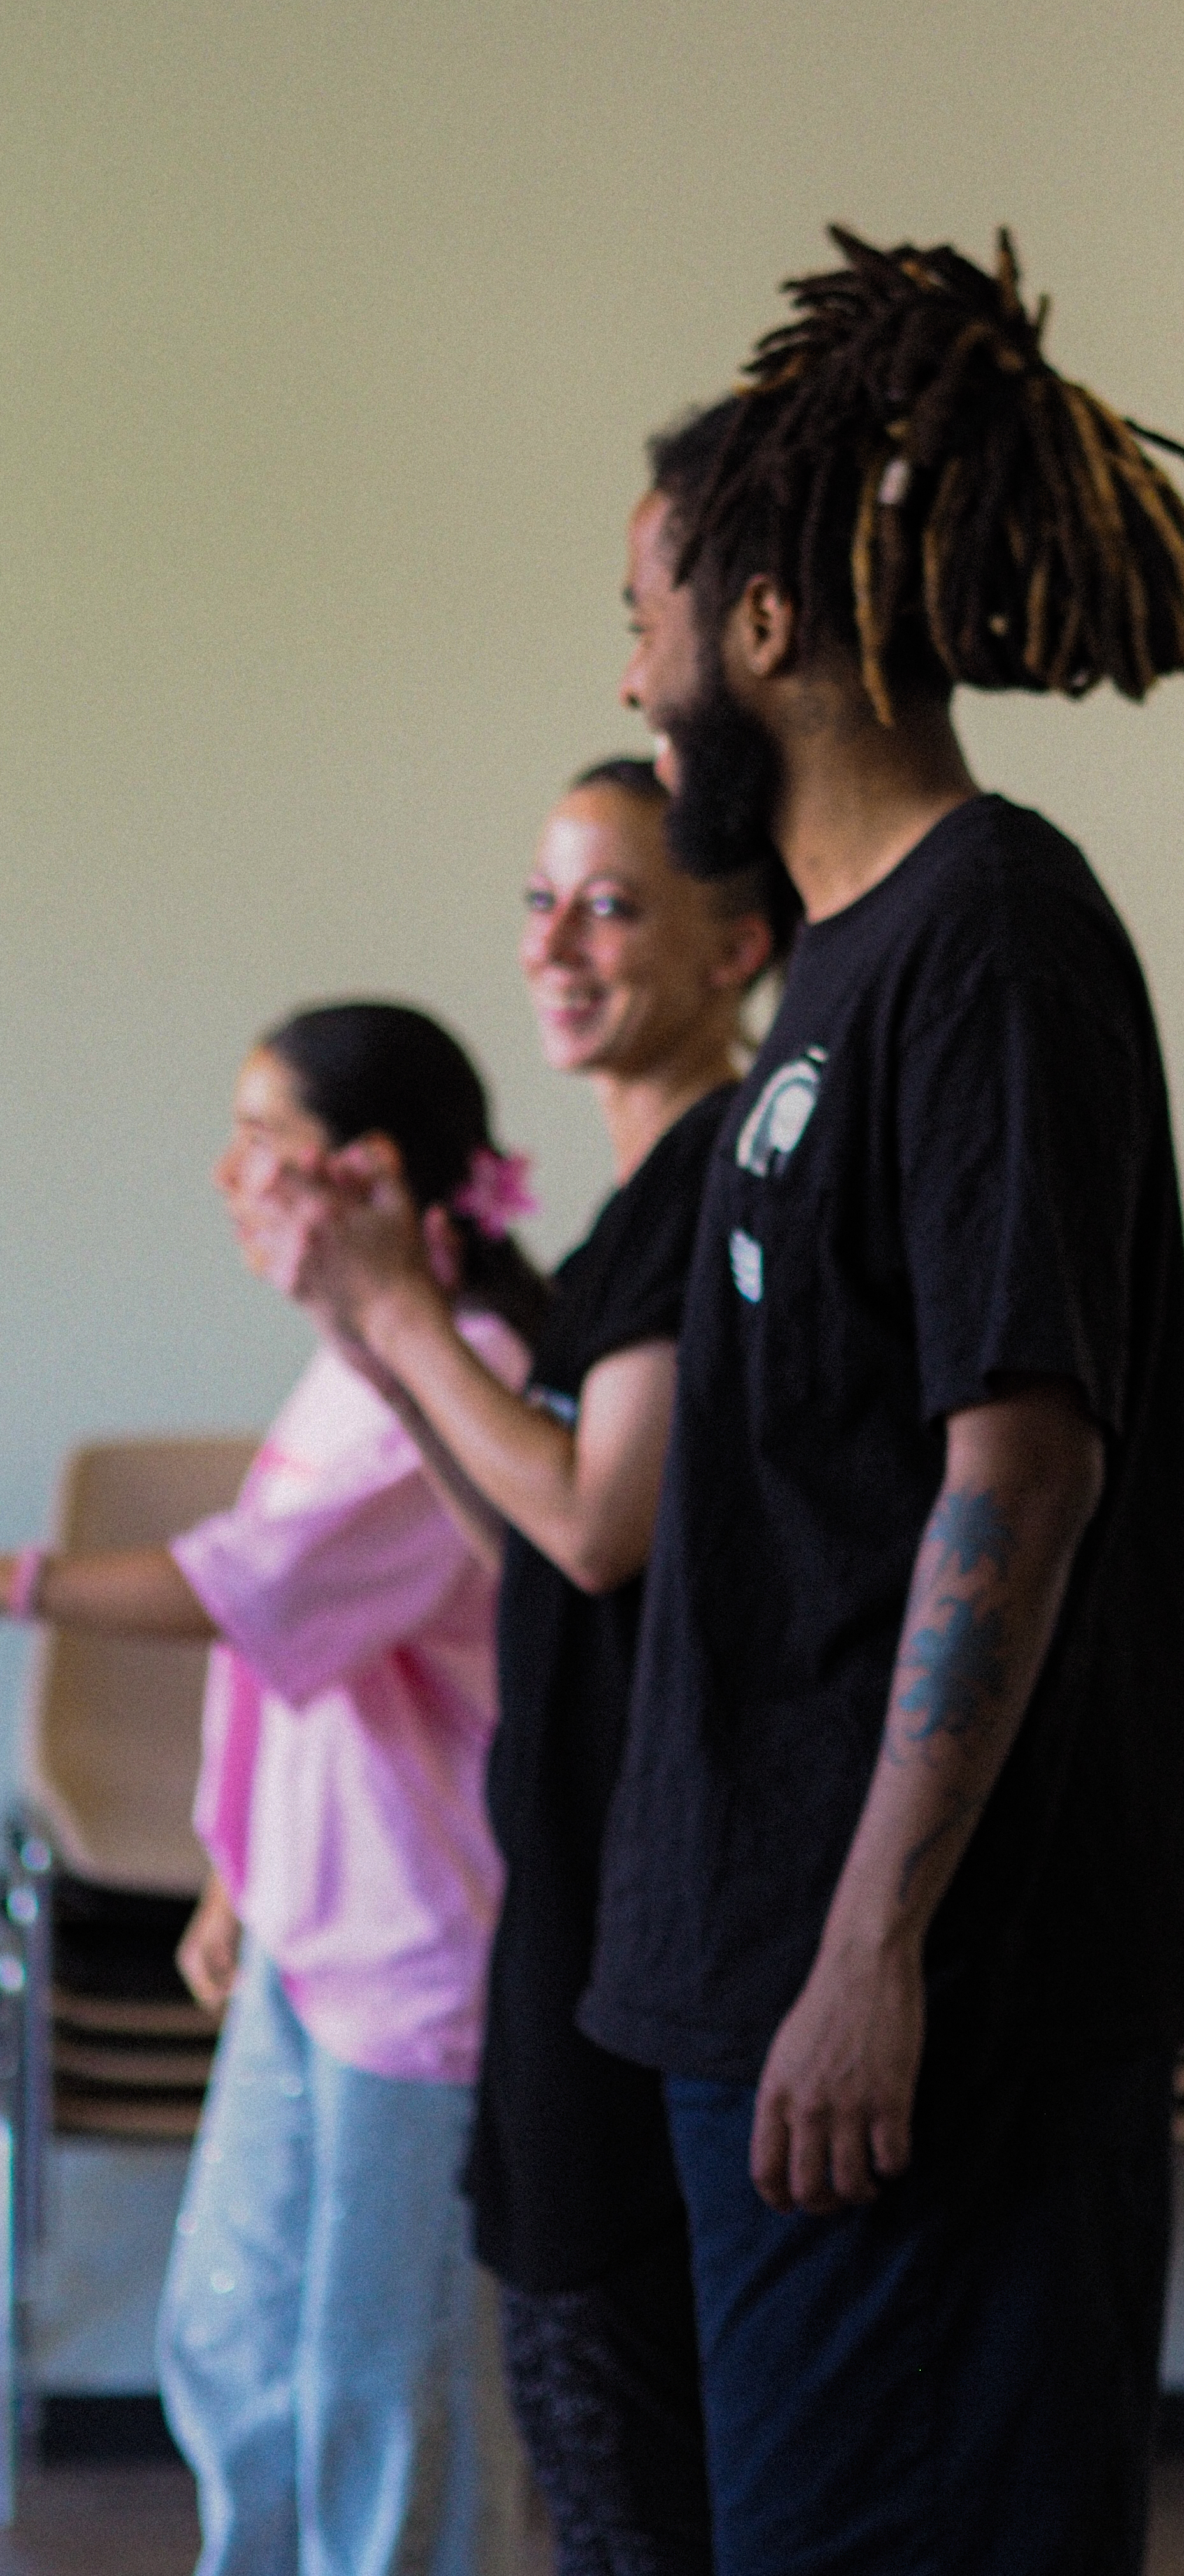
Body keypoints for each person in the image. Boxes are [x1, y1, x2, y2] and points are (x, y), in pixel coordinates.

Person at [575, 228, 1184, 2575]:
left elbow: (1019, 1463)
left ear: (765, 625)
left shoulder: (991, 938)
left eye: (645, 608)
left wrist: (871, 1945)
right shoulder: (839, 966)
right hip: (763, 1992)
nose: (629, 668)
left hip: (909, 2020)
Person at [272, 765, 791, 2576]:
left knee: (629, 2456)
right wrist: (376, 1336)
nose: (551, 946)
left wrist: (409, 1312)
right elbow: (533, 1563)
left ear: (741, 946)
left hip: (655, 1916)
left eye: (609, 905)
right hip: (582, 1889)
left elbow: (592, 1525)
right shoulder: (629, 1211)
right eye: (538, 900)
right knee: (589, 2433)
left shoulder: (718, 1174)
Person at [2, 1003, 544, 2576]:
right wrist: (236, 1874)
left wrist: (21, 1577)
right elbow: (294, 1660)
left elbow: (254, 1586)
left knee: (390, 2390)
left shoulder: (472, 1371)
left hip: (428, 1961)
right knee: (233, 2344)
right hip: (317, 1938)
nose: (229, 1175)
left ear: (361, 1172)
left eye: (261, 1140)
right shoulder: (350, 1367)